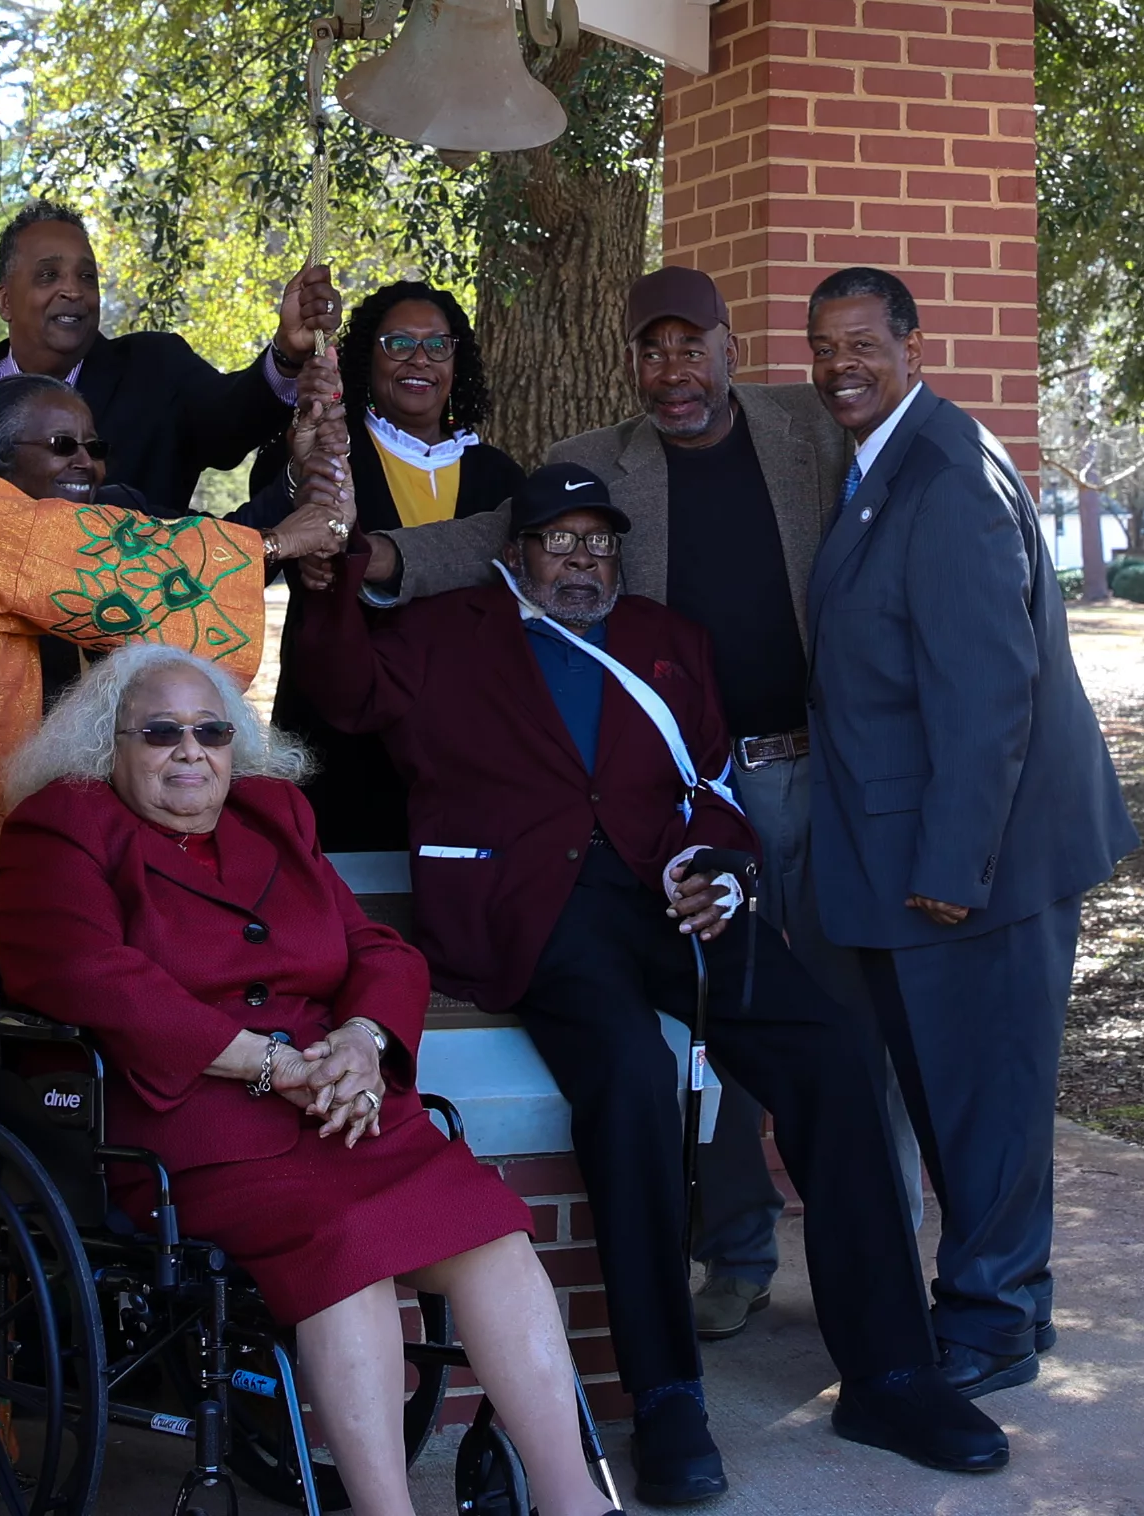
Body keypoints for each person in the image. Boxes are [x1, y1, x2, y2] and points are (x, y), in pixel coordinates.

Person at [298, 461, 1008, 1505]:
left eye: (599, 542)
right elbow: (342, 689)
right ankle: (666, 1394)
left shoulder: (668, 641)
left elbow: (711, 784)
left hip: (668, 897)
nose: (581, 561)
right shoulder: (443, 632)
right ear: (515, 553)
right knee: (630, 1081)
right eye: (558, 541)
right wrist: (326, 580)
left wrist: (721, 866)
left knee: (832, 1054)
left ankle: (891, 1374)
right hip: (532, 912)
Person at [362, 265, 900, 1342]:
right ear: (630, 363)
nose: (673, 369)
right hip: (687, 792)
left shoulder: (807, 427)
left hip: (821, 771)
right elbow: (492, 540)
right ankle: (736, 1254)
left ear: (730, 347)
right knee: (713, 1016)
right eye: (652, 350)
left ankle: (887, 1300)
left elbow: (900, 477)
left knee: (840, 1029)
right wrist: (375, 555)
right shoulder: (598, 463)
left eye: (692, 345)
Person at [0, 643, 616, 1516]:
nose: (190, 751)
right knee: (344, 1250)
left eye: (211, 732)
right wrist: (269, 1062)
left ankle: (574, 1498)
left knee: (494, 1235)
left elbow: (376, 950)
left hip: (344, 1110)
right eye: (160, 732)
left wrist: (363, 1039)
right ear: (110, 745)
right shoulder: (63, 826)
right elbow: (85, 973)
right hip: (190, 1128)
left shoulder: (274, 815)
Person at [800, 265, 1135, 1399]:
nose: (839, 366)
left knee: (984, 1101)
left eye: (861, 344)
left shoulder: (944, 475)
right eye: (823, 347)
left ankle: (989, 1327)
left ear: (912, 346)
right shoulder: (883, 460)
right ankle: (1012, 1302)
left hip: (976, 861)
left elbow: (990, 694)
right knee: (964, 1099)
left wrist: (953, 865)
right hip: (922, 849)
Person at [0, 369, 353, 872]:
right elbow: (149, 572)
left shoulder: (114, 513)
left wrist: (301, 476)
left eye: (95, 447)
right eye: (62, 445)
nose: (84, 462)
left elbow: (203, 553)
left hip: (86, 835)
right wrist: (278, 543)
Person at [256, 282, 525, 853]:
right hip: (341, 739)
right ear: (367, 358)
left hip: (465, 745)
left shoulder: (499, 476)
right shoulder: (331, 451)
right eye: (398, 343)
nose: (419, 360)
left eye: (438, 345)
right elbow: (281, 536)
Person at [0, 200, 330, 503]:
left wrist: (286, 353)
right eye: (49, 275)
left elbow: (229, 423)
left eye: (87, 277)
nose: (73, 291)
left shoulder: (156, 369)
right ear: (5, 301)